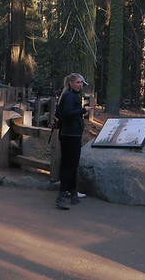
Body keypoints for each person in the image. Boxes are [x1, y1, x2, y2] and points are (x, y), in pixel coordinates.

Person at [55, 72, 88, 210]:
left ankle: (73, 193)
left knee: (72, 165)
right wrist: (83, 110)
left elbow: (60, 114)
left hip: (71, 134)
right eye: (78, 82)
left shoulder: (70, 95)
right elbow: (67, 113)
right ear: (71, 83)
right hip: (70, 135)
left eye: (81, 83)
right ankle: (61, 197)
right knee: (69, 165)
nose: (80, 85)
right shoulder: (69, 96)